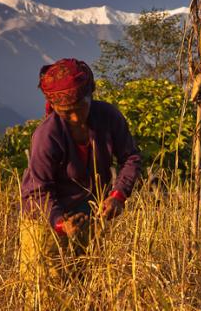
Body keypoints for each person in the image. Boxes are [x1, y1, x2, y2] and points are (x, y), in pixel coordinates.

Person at [19, 58, 142, 308]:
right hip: (44, 221)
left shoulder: (108, 117)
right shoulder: (47, 135)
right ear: (53, 106)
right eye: (66, 112)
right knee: (48, 295)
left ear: (91, 94)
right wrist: (61, 223)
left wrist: (118, 196)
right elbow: (38, 191)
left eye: (80, 106)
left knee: (88, 289)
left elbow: (131, 157)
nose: (75, 117)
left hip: (88, 215)